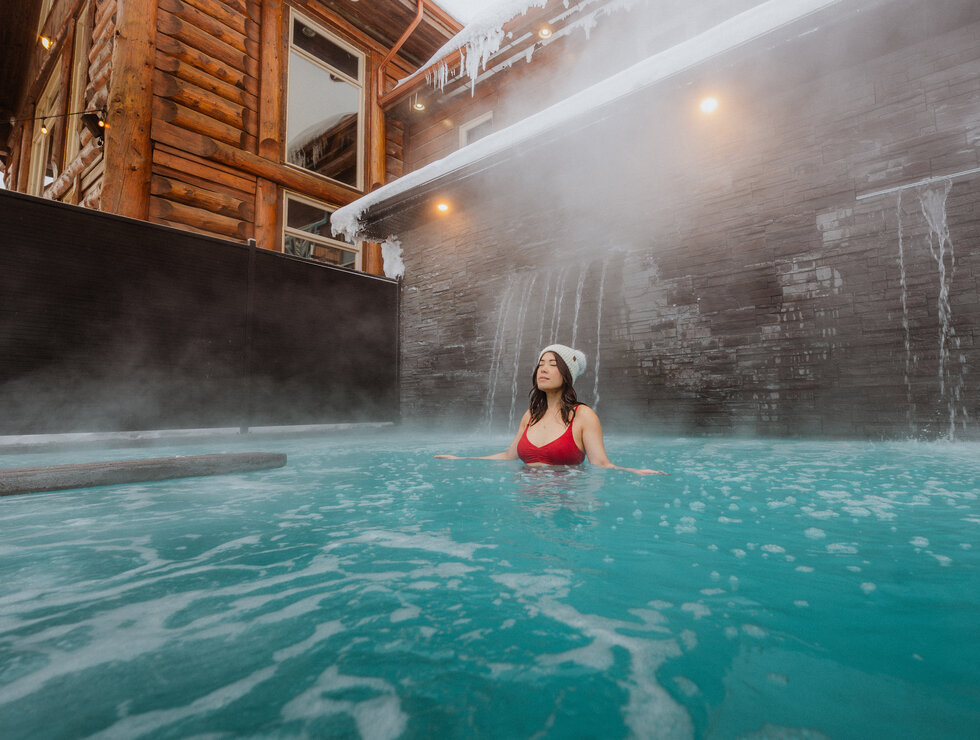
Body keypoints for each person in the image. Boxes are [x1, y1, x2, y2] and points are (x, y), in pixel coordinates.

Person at [435, 344, 668, 476]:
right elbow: (509, 456)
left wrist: (636, 471)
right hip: (526, 504)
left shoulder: (584, 416)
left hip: (565, 501)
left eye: (553, 365)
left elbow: (601, 464)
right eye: (541, 364)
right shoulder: (530, 415)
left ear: (568, 374)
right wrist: (461, 459)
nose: (543, 370)